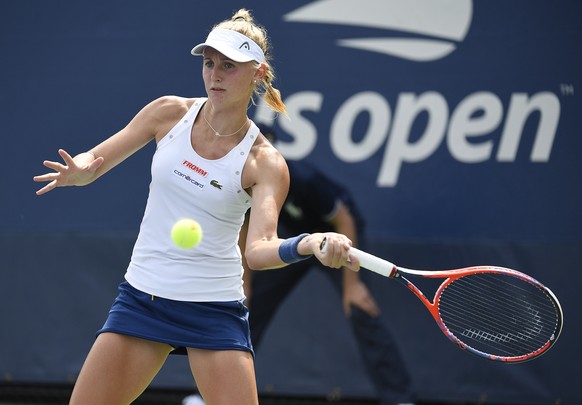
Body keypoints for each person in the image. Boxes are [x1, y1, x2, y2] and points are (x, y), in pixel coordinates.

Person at [33, 9, 357, 405]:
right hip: (143, 299)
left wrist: (308, 243)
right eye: (209, 63)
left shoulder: (265, 162)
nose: (215, 75)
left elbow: (258, 251)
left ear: (258, 73)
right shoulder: (168, 113)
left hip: (213, 309)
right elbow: (95, 160)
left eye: (229, 66)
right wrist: (82, 169)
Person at [184, 125, 415, 405]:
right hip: (298, 240)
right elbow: (243, 229)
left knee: (359, 307)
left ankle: (399, 399)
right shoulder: (243, 182)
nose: (256, 157)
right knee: (246, 309)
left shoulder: (302, 178)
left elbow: (345, 219)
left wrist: (352, 286)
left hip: (338, 238)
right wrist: (244, 284)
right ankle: (212, 395)